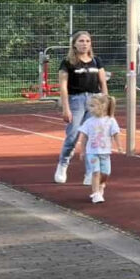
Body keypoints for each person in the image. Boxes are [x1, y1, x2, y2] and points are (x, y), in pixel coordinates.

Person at [55, 31, 108, 185]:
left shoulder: (96, 61)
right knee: (72, 136)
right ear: (74, 44)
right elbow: (63, 87)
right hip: (76, 100)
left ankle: (90, 172)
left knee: (92, 137)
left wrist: (105, 103)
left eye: (87, 41)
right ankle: (63, 164)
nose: (84, 44)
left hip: (94, 100)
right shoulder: (67, 63)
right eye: (81, 41)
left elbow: (103, 83)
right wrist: (66, 108)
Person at [77, 94, 122, 203]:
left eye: (93, 106)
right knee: (95, 172)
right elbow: (84, 137)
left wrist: (119, 146)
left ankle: (101, 185)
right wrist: (82, 151)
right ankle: (96, 193)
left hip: (105, 152)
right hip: (92, 152)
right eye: (90, 106)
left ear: (102, 106)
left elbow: (116, 133)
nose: (90, 109)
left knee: (106, 173)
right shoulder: (89, 122)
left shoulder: (110, 121)